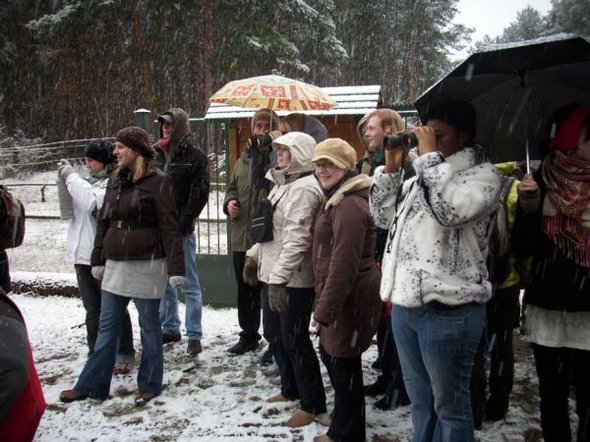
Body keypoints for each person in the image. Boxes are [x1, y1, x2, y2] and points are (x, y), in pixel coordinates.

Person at [370, 100, 501, 441]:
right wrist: (391, 172)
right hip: (406, 308)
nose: (429, 142)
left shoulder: (484, 177)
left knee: (450, 407)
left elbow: (450, 212)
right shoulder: (420, 179)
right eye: (426, 134)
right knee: (421, 404)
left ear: (464, 137)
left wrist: (428, 159)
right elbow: (383, 220)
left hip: (450, 311)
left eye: (438, 135)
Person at [59, 126, 185, 406]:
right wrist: (98, 259)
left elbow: (169, 226)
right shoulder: (115, 179)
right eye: (115, 147)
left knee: (150, 328)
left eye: (120, 147)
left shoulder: (159, 181)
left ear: (136, 151)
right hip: (116, 263)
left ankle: (150, 383)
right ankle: (92, 385)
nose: (114, 152)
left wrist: (176, 268)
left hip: (147, 265)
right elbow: (103, 221)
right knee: (107, 329)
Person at [512, 105, 590, 442]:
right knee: (552, 398)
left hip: (588, 312)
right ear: (572, 140)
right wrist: (529, 209)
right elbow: (523, 248)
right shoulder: (540, 181)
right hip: (548, 310)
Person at [243, 131, 328, 427]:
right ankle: (289, 388)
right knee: (275, 335)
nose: (278, 154)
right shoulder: (282, 184)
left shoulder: (304, 189)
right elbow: (269, 230)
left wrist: (278, 279)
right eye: (278, 150)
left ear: (301, 153)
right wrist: (254, 255)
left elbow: (297, 240)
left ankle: (313, 403)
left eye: (285, 150)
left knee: (295, 341)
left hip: (293, 280)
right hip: (273, 275)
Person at [310, 138, 382, 442]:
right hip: (340, 297)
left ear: (345, 166)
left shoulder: (350, 204)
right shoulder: (337, 196)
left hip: (347, 299)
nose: (322, 169)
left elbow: (343, 265)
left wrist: (324, 311)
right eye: (318, 163)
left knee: (344, 367)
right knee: (339, 364)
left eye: (329, 163)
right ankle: (345, 426)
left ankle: (347, 434)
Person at [57, 140, 135, 374]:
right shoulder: (84, 183)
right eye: (86, 160)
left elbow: (93, 204)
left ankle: (124, 351)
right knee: (92, 310)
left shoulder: (113, 182)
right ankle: (96, 353)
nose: (87, 164)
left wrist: (71, 178)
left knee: (114, 308)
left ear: (104, 161)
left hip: (103, 255)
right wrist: (66, 182)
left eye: (91, 159)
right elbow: (73, 207)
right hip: (81, 257)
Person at [356, 108, 411, 411]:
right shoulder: (369, 163)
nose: (365, 133)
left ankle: (399, 387)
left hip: (399, 254)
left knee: (396, 326)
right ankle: (385, 377)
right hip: (379, 251)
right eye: (364, 129)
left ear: (390, 128)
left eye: (371, 128)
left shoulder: (406, 165)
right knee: (384, 324)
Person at [224, 109, 280, 356]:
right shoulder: (243, 158)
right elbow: (231, 188)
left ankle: (274, 341)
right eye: (258, 126)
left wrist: (271, 150)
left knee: (267, 291)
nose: (261, 130)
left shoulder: (278, 157)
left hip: (266, 236)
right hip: (241, 235)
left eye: (266, 126)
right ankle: (248, 335)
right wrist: (230, 203)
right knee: (244, 292)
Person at [155, 108, 210, 356]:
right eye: (163, 125)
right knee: (164, 283)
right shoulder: (155, 153)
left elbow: (200, 193)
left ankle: (194, 334)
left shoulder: (195, 156)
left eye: (170, 125)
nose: (166, 128)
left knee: (189, 283)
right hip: (158, 228)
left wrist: (183, 221)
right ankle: (169, 328)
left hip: (181, 230)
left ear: (180, 126)